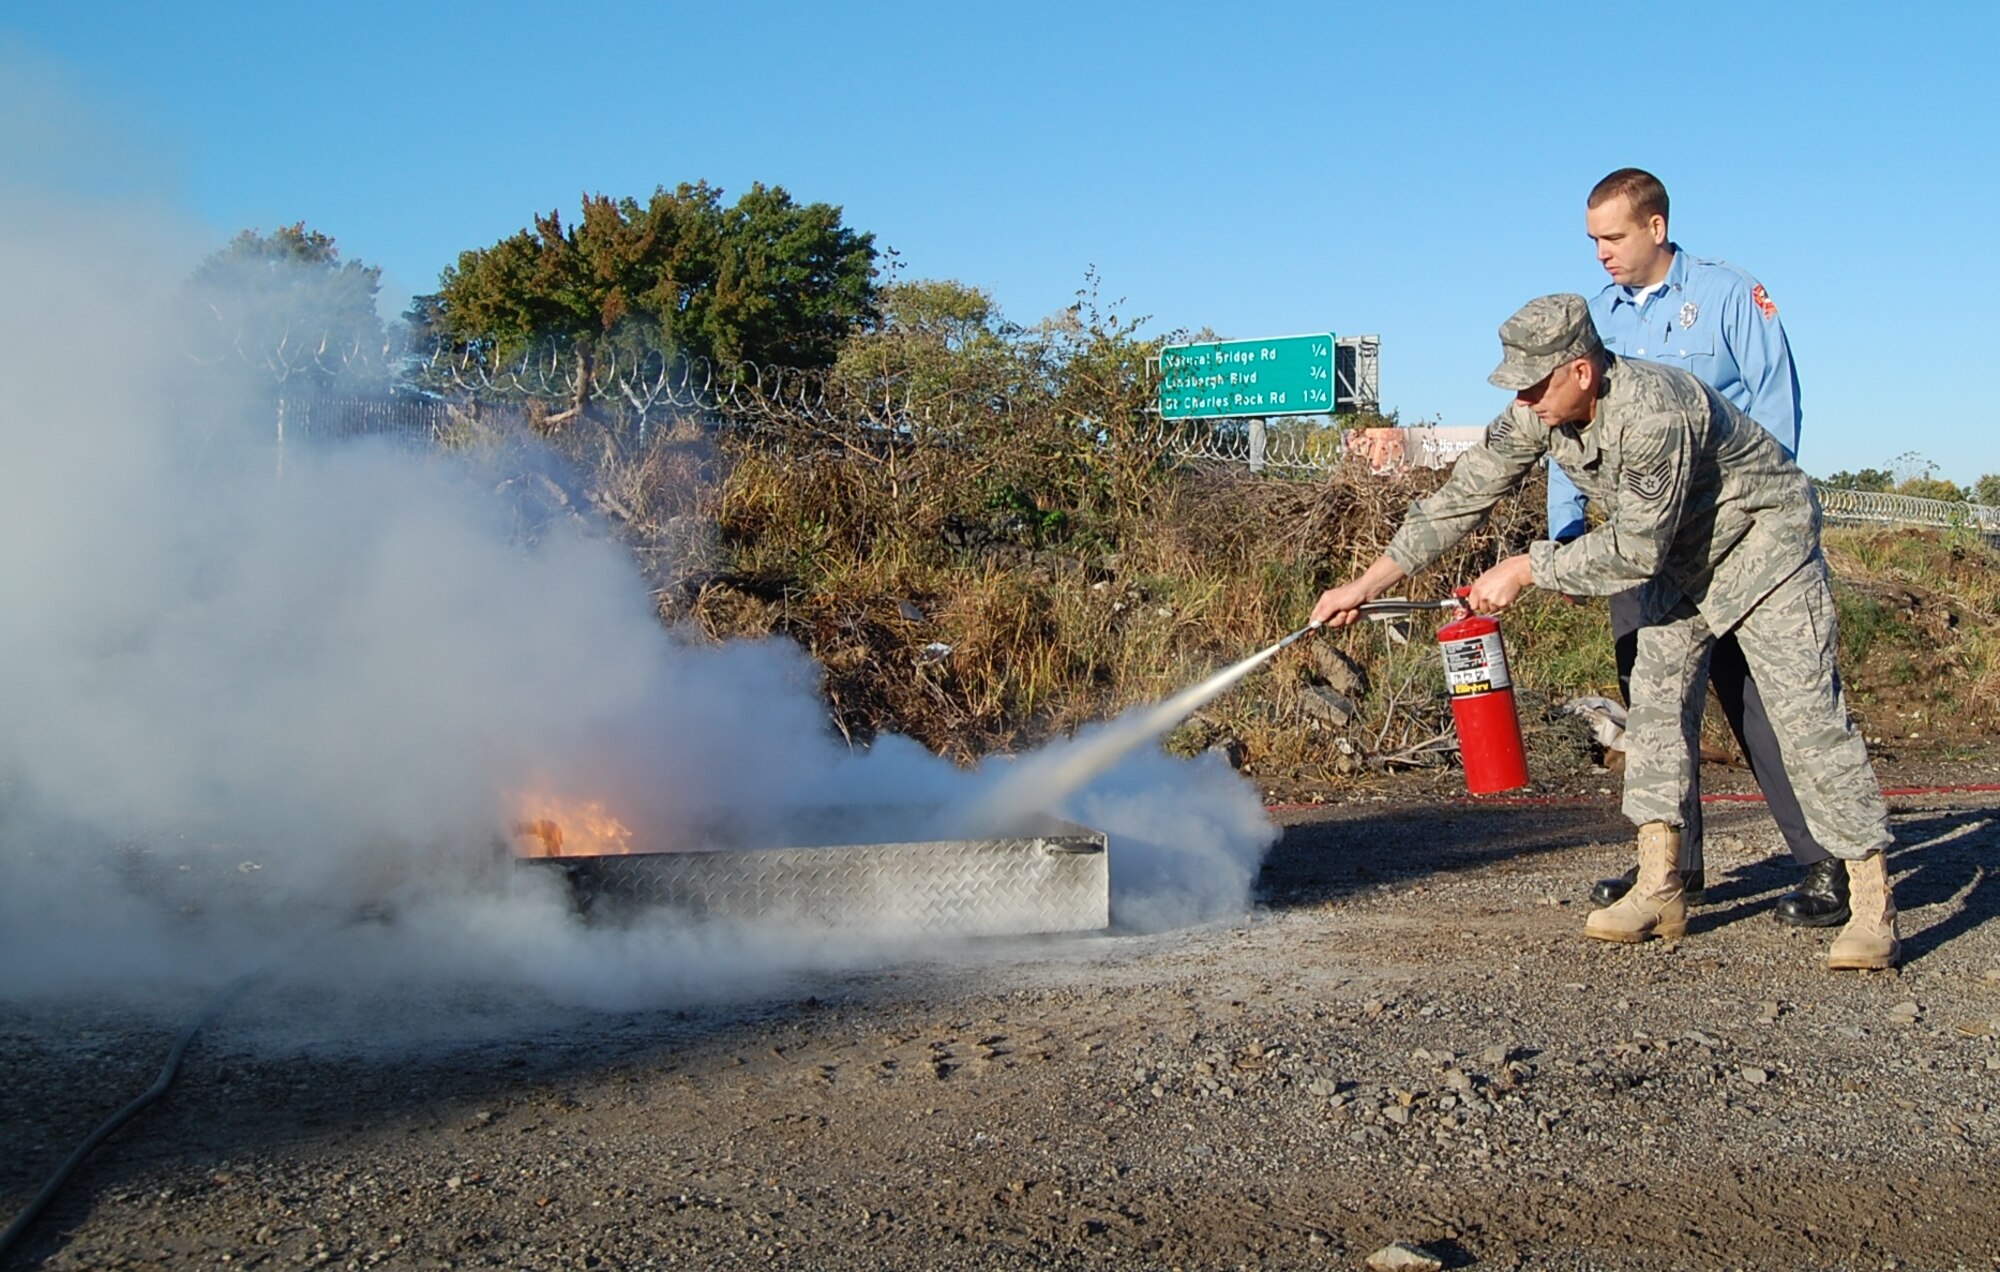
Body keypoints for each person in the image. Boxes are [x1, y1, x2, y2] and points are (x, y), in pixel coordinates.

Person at [1312, 294, 1898, 971]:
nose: (1524, 399)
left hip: (1763, 553)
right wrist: (1364, 585)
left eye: (1535, 383)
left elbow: (1637, 549)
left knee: (1807, 722)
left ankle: (1872, 905)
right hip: (1683, 564)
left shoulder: (1655, 411)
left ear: (1581, 372)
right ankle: (1659, 887)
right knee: (1653, 712)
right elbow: (1461, 497)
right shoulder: (1540, 412)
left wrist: (1531, 567)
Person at [1552, 168, 1846, 928]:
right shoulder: (1598, 320)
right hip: (1640, 546)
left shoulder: (1725, 296)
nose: (1601, 255)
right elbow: (1569, 423)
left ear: (1655, 228)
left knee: (1761, 701)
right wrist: (1570, 530)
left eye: (1612, 237)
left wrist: (1761, 522)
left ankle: (1824, 862)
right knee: (1653, 708)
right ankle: (1670, 868)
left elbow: (1775, 405)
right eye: (1592, 241)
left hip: (1732, 544)